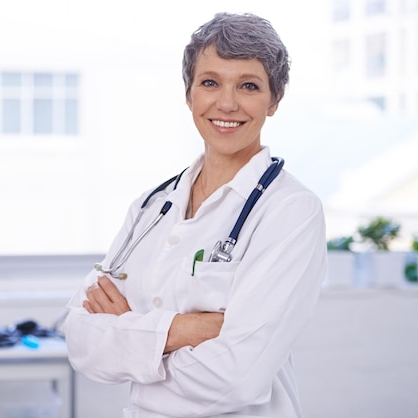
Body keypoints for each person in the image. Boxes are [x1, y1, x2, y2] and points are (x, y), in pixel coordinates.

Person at [64, 12, 327, 418]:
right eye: (210, 82)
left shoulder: (290, 211)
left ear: (274, 101)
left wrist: (134, 344)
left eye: (249, 86)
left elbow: (238, 380)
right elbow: (81, 340)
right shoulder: (152, 206)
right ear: (189, 94)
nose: (226, 103)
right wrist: (186, 330)